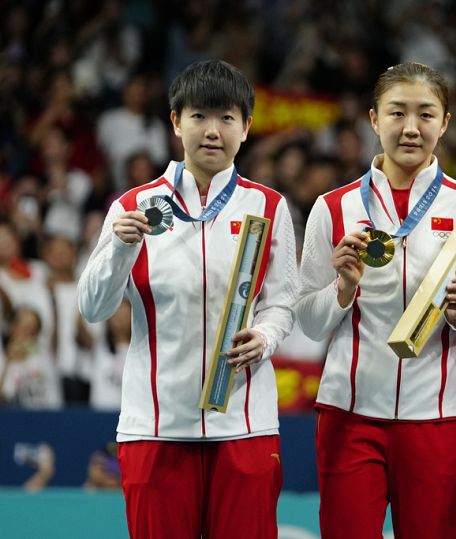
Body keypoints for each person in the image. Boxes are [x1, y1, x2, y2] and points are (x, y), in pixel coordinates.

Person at [77, 60, 298, 539]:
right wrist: (118, 246)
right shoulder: (133, 206)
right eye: (199, 116)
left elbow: (283, 302)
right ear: (175, 122)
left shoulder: (271, 206)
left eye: (226, 118)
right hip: (155, 429)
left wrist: (265, 334)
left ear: (247, 127)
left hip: (245, 427)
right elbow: (93, 307)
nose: (212, 131)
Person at [296, 62, 456, 539]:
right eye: (397, 113)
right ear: (373, 119)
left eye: (426, 115)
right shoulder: (334, 206)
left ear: (445, 123)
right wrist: (341, 290)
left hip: (438, 416)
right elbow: (308, 320)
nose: (410, 128)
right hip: (350, 412)